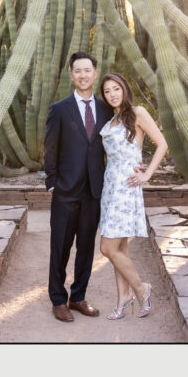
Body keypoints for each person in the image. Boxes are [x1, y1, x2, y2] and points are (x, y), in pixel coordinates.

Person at [43, 52, 112, 322]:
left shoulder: (107, 109)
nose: (83, 75)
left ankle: (78, 297)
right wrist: (52, 183)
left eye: (87, 70)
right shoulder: (59, 109)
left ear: (95, 74)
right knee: (60, 247)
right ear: (71, 76)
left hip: (94, 192)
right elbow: (50, 148)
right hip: (65, 191)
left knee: (86, 248)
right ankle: (58, 299)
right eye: (78, 71)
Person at [97, 73, 168, 320]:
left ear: (124, 89)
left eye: (116, 88)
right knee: (119, 246)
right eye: (107, 91)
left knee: (107, 247)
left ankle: (140, 288)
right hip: (110, 186)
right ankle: (123, 298)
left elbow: (162, 144)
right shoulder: (112, 119)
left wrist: (147, 172)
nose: (113, 94)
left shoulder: (137, 112)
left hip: (126, 186)